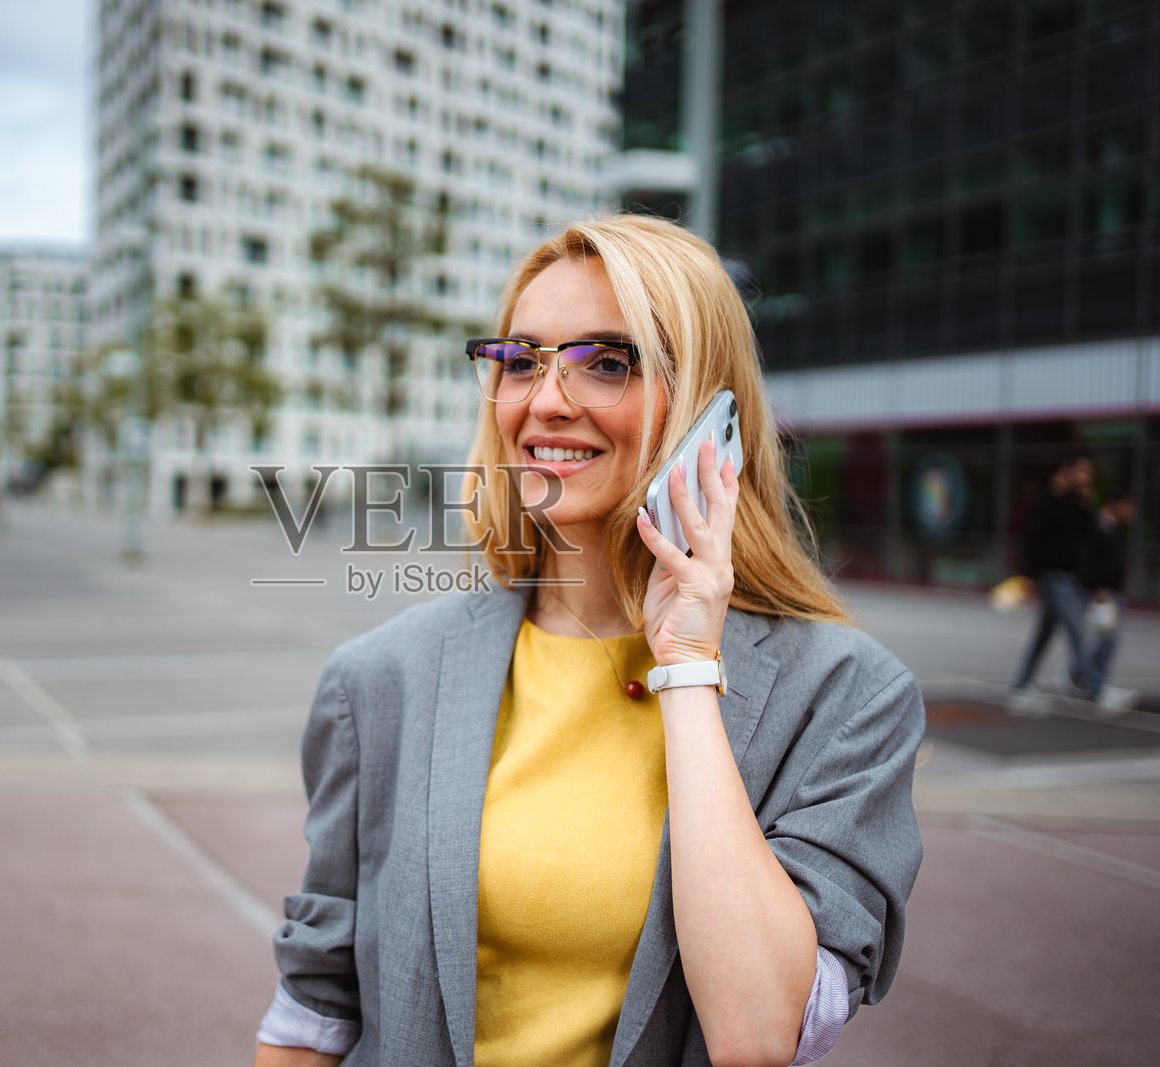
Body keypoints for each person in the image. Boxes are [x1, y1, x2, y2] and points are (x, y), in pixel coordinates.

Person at [255, 216, 924, 1067]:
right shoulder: (381, 675)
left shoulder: (848, 695)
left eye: (607, 362)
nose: (545, 402)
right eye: (520, 360)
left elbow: (757, 1032)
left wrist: (686, 667)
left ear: (709, 407)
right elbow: (315, 1005)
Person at [1007, 455, 1134, 715]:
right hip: (1052, 576)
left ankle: (1020, 687)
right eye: (1082, 472)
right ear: (1067, 470)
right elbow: (1031, 538)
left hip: (1068, 577)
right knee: (1077, 629)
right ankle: (1096, 689)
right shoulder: (1045, 499)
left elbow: (1086, 537)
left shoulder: (1073, 502)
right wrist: (1028, 575)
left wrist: (1086, 500)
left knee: (1044, 634)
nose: (1086, 478)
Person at [1079, 495, 1137, 714]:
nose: (1132, 513)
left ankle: (1082, 675)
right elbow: (1090, 557)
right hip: (1103, 592)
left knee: (1105, 640)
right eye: (1129, 507)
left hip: (1111, 592)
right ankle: (1095, 685)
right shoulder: (1100, 527)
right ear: (1118, 505)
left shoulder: (1115, 529)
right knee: (1107, 640)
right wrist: (1098, 588)